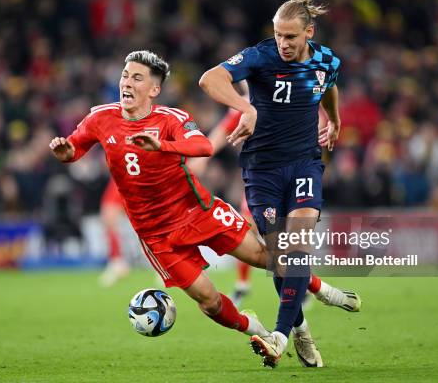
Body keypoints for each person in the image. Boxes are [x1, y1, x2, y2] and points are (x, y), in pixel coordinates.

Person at [50, 50, 273, 346]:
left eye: (137, 78)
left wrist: (162, 146)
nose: (127, 83)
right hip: (156, 234)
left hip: (196, 210)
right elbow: (74, 148)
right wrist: (66, 153)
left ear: (154, 90)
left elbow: (204, 146)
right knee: (208, 301)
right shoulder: (100, 118)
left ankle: (309, 300)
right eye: (125, 76)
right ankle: (256, 329)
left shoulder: (173, 119)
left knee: (261, 256)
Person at [199, 0, 361, 368]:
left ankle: (278, 337)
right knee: (279, 257)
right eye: (277, 35)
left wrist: (333, 119)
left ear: (309, 32)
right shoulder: (261, 56)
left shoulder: (326, 60)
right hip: (262, 170)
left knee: (296, 246)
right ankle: (301, 329)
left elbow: (329, 83)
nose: (283, 44)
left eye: (290, 37)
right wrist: (246, 107)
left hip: (305, 164)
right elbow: (210, 79)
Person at [190, 104, 358, 312]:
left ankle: (302, 288)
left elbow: (320, 126)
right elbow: (224, 128)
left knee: (290, 238)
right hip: (261, 180)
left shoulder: (300, 97)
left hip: (293, 178)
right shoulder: (247, 103)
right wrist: (204, 154)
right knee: (250, 228)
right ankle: (244, 285)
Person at [98, 179, 131, 287]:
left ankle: (117, 262)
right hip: (123, 170)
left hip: (134, 170)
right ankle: (117, 261)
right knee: (109, 214)